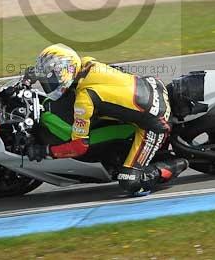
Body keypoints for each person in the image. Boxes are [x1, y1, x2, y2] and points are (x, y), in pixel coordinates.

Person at [26, 43, 189, 196]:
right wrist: (31, 77)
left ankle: (180, 162)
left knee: (130, 182)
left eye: (52, 78)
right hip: (151, 84)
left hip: (156, 120)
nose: (49, 83)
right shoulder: (87, 64)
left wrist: (46, 151)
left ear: (66, 71)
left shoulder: (84, 100)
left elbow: (79, 147)